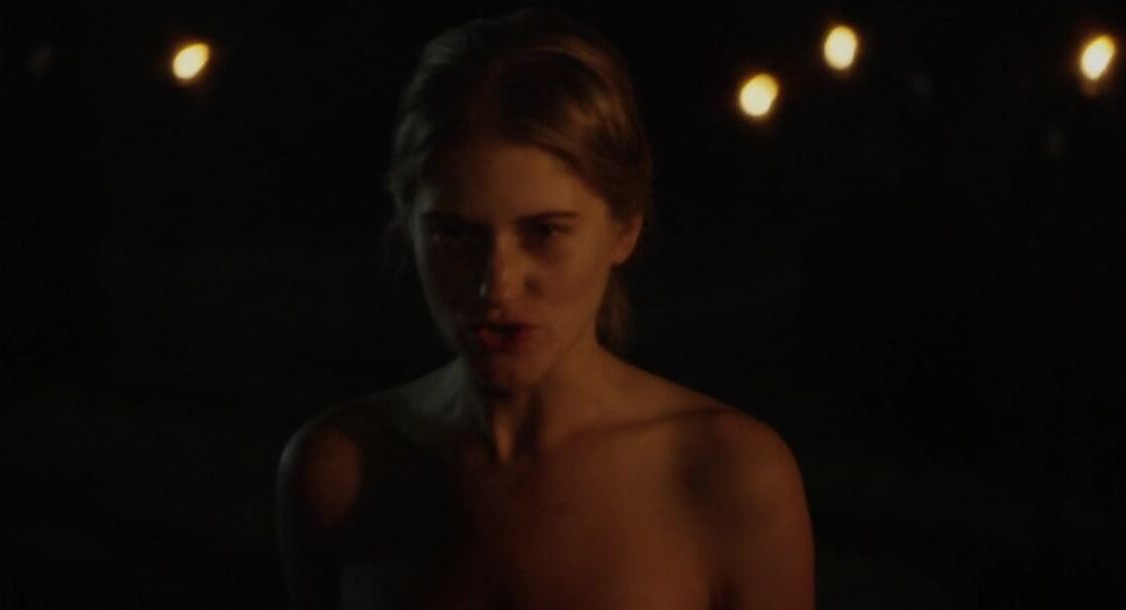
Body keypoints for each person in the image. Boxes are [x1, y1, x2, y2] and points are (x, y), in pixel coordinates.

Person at [277, 8, 813, 609]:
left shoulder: (726, 475)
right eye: (456, 235)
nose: (497, 286)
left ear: (625, 227)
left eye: (545, 232)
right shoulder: (342, 472)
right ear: (408, 228)